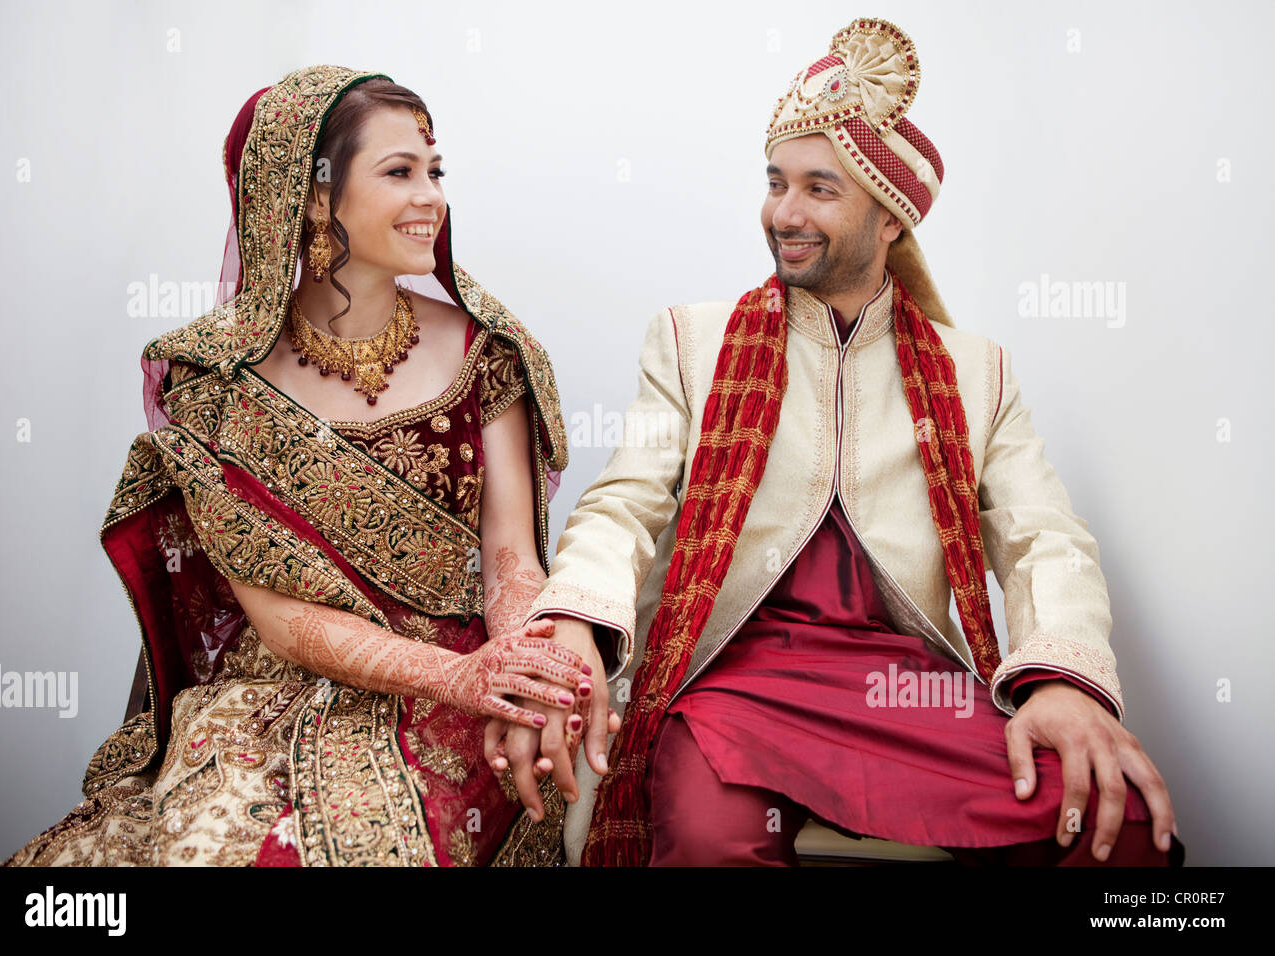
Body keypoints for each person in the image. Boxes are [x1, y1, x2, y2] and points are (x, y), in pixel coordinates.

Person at [491, 19, 1186, 866]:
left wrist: (1062, 683)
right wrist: (575, 630)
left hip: (905, 688)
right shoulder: (691, 341)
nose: (784, 213)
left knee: (1124, 835)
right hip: (724, 684)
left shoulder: (977, 374)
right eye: (776, 182)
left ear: (890, 217)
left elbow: (1046, 538)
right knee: (711, 842)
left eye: (819, 189)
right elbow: (621, 507)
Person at [3, 64, 592, 867]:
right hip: (271, 696)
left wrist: (521, 677)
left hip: (459, 686)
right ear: (314, 197)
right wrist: (462, 679)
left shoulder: (483, 354)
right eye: (399, 173)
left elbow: (509, 558)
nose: (431, 197)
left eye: (435, 172)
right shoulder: (216, 386)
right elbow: (282, 620)